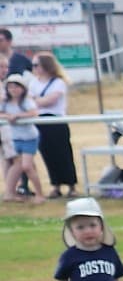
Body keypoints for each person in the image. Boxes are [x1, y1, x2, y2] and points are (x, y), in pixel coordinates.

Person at [26, 53, 76, 196]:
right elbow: (29, 101)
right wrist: (37, 101)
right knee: (48, 154)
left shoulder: (58, 82)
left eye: (36, 65)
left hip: (56, 121)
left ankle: (71, 185)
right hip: (40, 121)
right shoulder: (34, 82)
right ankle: (56, 185)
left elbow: (51, 100)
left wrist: (36, 100)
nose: (34, 68)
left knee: (63, 153)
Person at [4, 73, 47, 201]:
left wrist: (18, 116)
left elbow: (34, 113)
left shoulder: (27, 102)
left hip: (29, 138)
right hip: (15, 138)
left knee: (27, 166)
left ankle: (40, 194)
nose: (13, 90)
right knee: (16, 165)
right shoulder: (6, 103)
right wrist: (8, 116)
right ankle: (9, 193)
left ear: (22, 88)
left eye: (16, 87)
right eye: (10, 87)